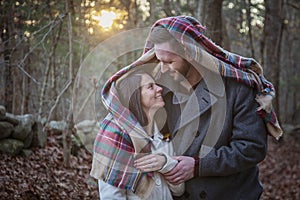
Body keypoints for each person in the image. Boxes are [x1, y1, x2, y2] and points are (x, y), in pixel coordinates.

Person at [135, 16, 282, 199]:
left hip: (231, 194)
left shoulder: (238, 88)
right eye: (160, 61)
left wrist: (198, 166)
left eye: (169, 62)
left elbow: (252, 148)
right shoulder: (161, 89)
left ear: (192, 54)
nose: (163, 69)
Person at [90, 66, 184, 199]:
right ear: (135, 96)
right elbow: (111, 197)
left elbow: (179, 190)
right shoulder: (117, 139)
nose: (159, 89)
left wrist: (165, 163)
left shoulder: (164, 134)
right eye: (150, 87)